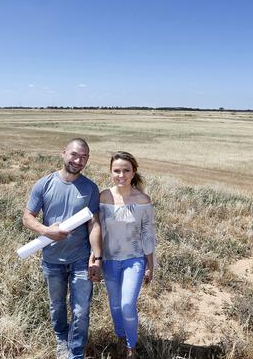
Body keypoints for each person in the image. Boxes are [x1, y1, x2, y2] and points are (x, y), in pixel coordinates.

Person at [22, 138, 102, 359]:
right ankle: (61, 340)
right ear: (63, 153)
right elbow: (28, 218)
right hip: (52, 259)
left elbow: (94, 224)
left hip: (80, 258)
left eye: (84, 156)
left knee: (80, 309)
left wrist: (96, 256)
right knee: (57, 306)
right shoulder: (44, 184)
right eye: (75, 155)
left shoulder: (90, 188)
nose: (79, 160)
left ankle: (76, 352)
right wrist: (47, 231)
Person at [99, 151, 156, 359]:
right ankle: (120, 337)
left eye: (126, 170)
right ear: (110, 171)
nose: (121, 175)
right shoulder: (103, 196)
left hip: (134, 260)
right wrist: (94, 258)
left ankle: (131, 347)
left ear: (134, 172)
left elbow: (148, 234)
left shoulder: (143, 200)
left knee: (126, 304)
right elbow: (97, 230)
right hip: (109, 260)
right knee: (114, 305)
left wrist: (151, 265)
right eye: (116, 170)